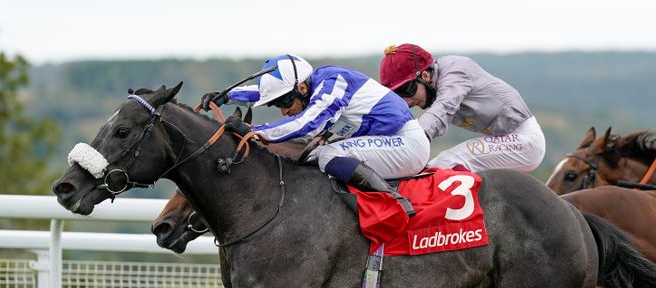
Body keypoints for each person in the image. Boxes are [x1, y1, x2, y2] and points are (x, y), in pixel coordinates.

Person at [201, 54, 429, 216]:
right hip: (388, 141)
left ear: (302, 89)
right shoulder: (311, 85)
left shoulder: (333, 83)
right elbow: (266, 93)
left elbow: (307, 124)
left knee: (329, 154)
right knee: (312, 156)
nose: (283, 111)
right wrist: (227, 96)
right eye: (277, 105)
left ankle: (394, 202)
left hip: (406, 143)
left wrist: (255, 132)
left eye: (285, 103)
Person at [378, 44, 546, 173]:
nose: (406, 101)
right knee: (436, 165)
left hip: (525, 141)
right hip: (509, 139)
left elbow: (443, 108)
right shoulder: (436, 81)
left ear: (425, 76)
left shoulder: (455, 71)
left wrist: (410, 140)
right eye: (397, 95)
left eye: (406, 91)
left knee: (445, 162)